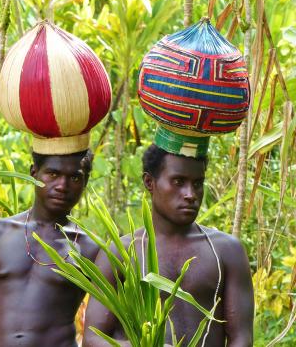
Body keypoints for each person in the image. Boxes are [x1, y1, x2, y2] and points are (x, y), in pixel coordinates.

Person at [83, 145, 254, 347]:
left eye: (197, 183)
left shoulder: (227, 250)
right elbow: (93, 338)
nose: (190, 194)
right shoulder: (123, 253)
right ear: (149, 182)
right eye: (178, 182)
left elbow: (241, 338)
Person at [0, 150, 100, 347]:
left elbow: (103, 330)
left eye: (74, 177)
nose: (62, 186)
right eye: (53, 174)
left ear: (85, 182)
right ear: (34, 173)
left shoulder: (92, 249)